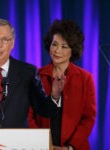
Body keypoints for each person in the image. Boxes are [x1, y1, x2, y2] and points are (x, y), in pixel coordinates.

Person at [28, 19, 96, 150]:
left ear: (73, 50)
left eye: (64, 46)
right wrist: (43, 145)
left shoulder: (86, 79)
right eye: (54, 44)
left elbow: (88, 118)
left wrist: (71, 147)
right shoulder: (36, 76)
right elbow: (29, 116)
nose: (57, 50)